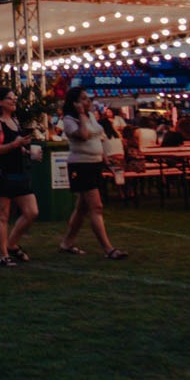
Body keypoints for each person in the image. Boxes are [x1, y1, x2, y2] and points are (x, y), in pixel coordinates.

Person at [57, 87, 126, 259]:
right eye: (84, 99)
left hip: (94, 163)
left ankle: (67, 242)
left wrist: (105, 157)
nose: (88, 102)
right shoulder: (69, 119)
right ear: (75, 102)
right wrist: (81, 115)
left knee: (82, 208)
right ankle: (108, 248)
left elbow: (98, 137)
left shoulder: (91, 117)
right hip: (81, 165)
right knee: (96, 206)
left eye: (88, 99)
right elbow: (84, 135)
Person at [0, 87, 38, 267]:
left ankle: (12, 243)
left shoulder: (14, 121)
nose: (14, 101)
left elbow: (14, 145)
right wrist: (15, 144)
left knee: (31, 211)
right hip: (0, 173)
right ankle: (3, 254)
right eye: (9, 98)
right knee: (3, 215)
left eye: (15, 98)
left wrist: (26, 150)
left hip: (17, 171)